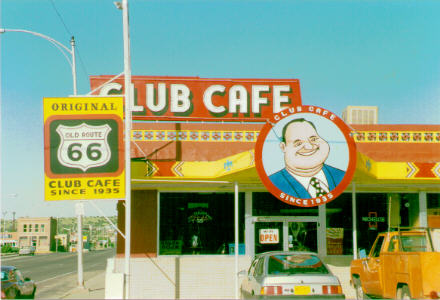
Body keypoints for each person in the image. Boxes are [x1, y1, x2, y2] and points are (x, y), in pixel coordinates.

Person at [269, 118, 345, 198]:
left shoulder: (341, 176)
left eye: (314, 139)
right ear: (283, 147)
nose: (309, 146)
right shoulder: (275, 181)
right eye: (298, 143)